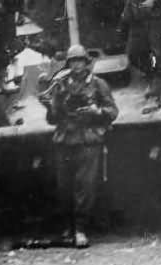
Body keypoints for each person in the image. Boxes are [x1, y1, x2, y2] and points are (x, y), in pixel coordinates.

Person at [47, 45, 119, 248]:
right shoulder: (60, 85)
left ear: (86, 63)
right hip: (65, 139)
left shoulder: (98, 84)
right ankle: (66, 228)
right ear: (68, 64)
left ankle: (80, 229)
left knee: (84, 186)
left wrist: (97, 111)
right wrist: (53, 103)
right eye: (72, 61)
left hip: (88, 139)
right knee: (64, 186)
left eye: (80, 61)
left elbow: (112, 111)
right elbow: (52, 119)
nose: (76, 65)